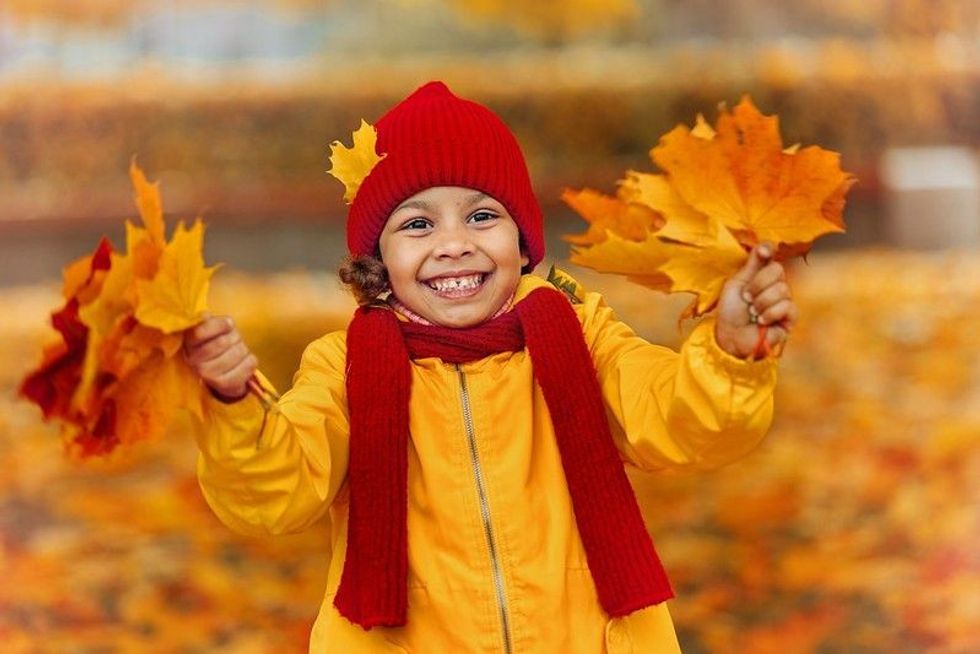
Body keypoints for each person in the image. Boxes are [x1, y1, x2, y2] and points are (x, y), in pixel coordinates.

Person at [183, 81, 795, 653]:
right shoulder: (343, 368)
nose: (453, 244)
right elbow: (276, 495)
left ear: (523, 242)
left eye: (481, 216)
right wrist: (236, 403)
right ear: (378, 260)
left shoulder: (582, 336)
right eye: (418, 224)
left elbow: (685, 424)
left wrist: (731, 354)